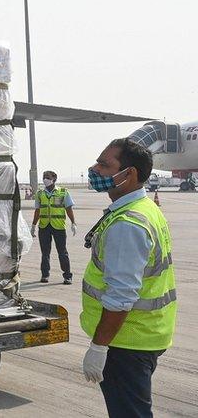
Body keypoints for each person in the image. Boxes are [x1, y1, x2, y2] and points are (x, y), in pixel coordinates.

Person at [81, 138, 177, 417]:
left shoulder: (127, 223)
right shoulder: (144, 210)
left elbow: (121, 296)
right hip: (143, 337)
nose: (94, 169)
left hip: (126, 342)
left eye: (104, 164)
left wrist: (99, 347)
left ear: (130, 173)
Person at [30, 170, 77, 284]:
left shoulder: (63, 192)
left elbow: (68, 208)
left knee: (62, 252)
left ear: (54, 179)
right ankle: (45, 275)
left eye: (47, 177)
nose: (45, 179)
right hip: (44, 227)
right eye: (44, 177)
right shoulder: (40, 193)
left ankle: (67, 276)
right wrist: (33, 225)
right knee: (45, 253)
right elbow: (37, 210)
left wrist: (73, 222)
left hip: (58, 227)